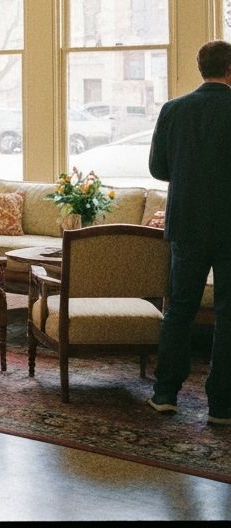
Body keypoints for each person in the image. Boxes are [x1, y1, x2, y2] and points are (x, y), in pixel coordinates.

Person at [147, 39, 231, 425]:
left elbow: (158, 169)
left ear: (202, 68)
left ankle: (165, 393)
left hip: (187, 223)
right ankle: (222, 405)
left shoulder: (174, 109)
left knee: (179, 310)